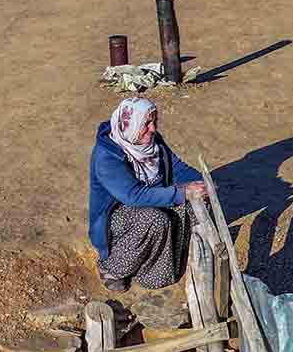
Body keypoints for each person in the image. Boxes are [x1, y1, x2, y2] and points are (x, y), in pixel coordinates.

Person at [88, 97, 207, 292]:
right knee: (154, 219)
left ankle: (166, 269)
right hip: (118, 216)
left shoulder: (152, 141)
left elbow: (176, 167)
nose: (152, 129)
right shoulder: (107, 156)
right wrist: (182, 192)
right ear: (130, 124)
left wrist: (202, 184)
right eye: (146, 124)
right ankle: (112, 269)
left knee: (197, 202)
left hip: (151, 200)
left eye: (154, 122)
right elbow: (133, 195)